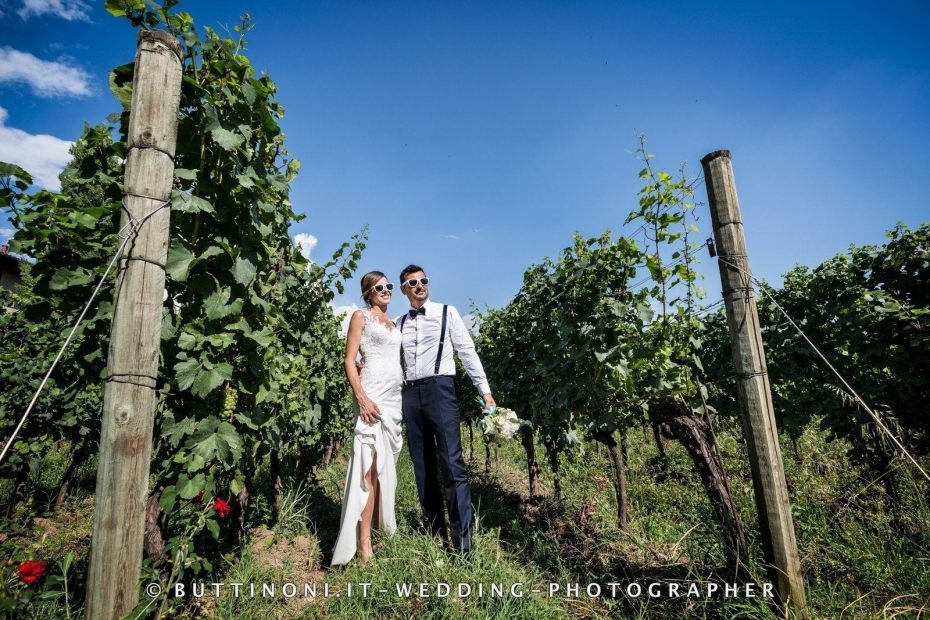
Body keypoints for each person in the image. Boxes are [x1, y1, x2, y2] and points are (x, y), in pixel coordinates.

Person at [395, 264, 495, 553]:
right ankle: (434, 529)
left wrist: (485, 391)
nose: (419, 285)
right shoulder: (398, 323)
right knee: (422, 465)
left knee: (452, 463)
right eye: (412, 282)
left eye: (423, 280)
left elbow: (467, 352)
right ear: (404, 289)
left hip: (440, 389)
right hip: (410, 394)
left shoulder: (447, 313)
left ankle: (462, 541)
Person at [331, 271, 404, 566]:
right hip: (372, 396)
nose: (385, 290)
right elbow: (349, 359)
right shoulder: (361, 317)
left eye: (388, 286)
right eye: (379, 287)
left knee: (385, 470)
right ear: (367, 293)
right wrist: (361, 397)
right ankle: (363, 544)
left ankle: (378, 529)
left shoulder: (395, 323)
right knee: (368, 470)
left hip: (394, 398)